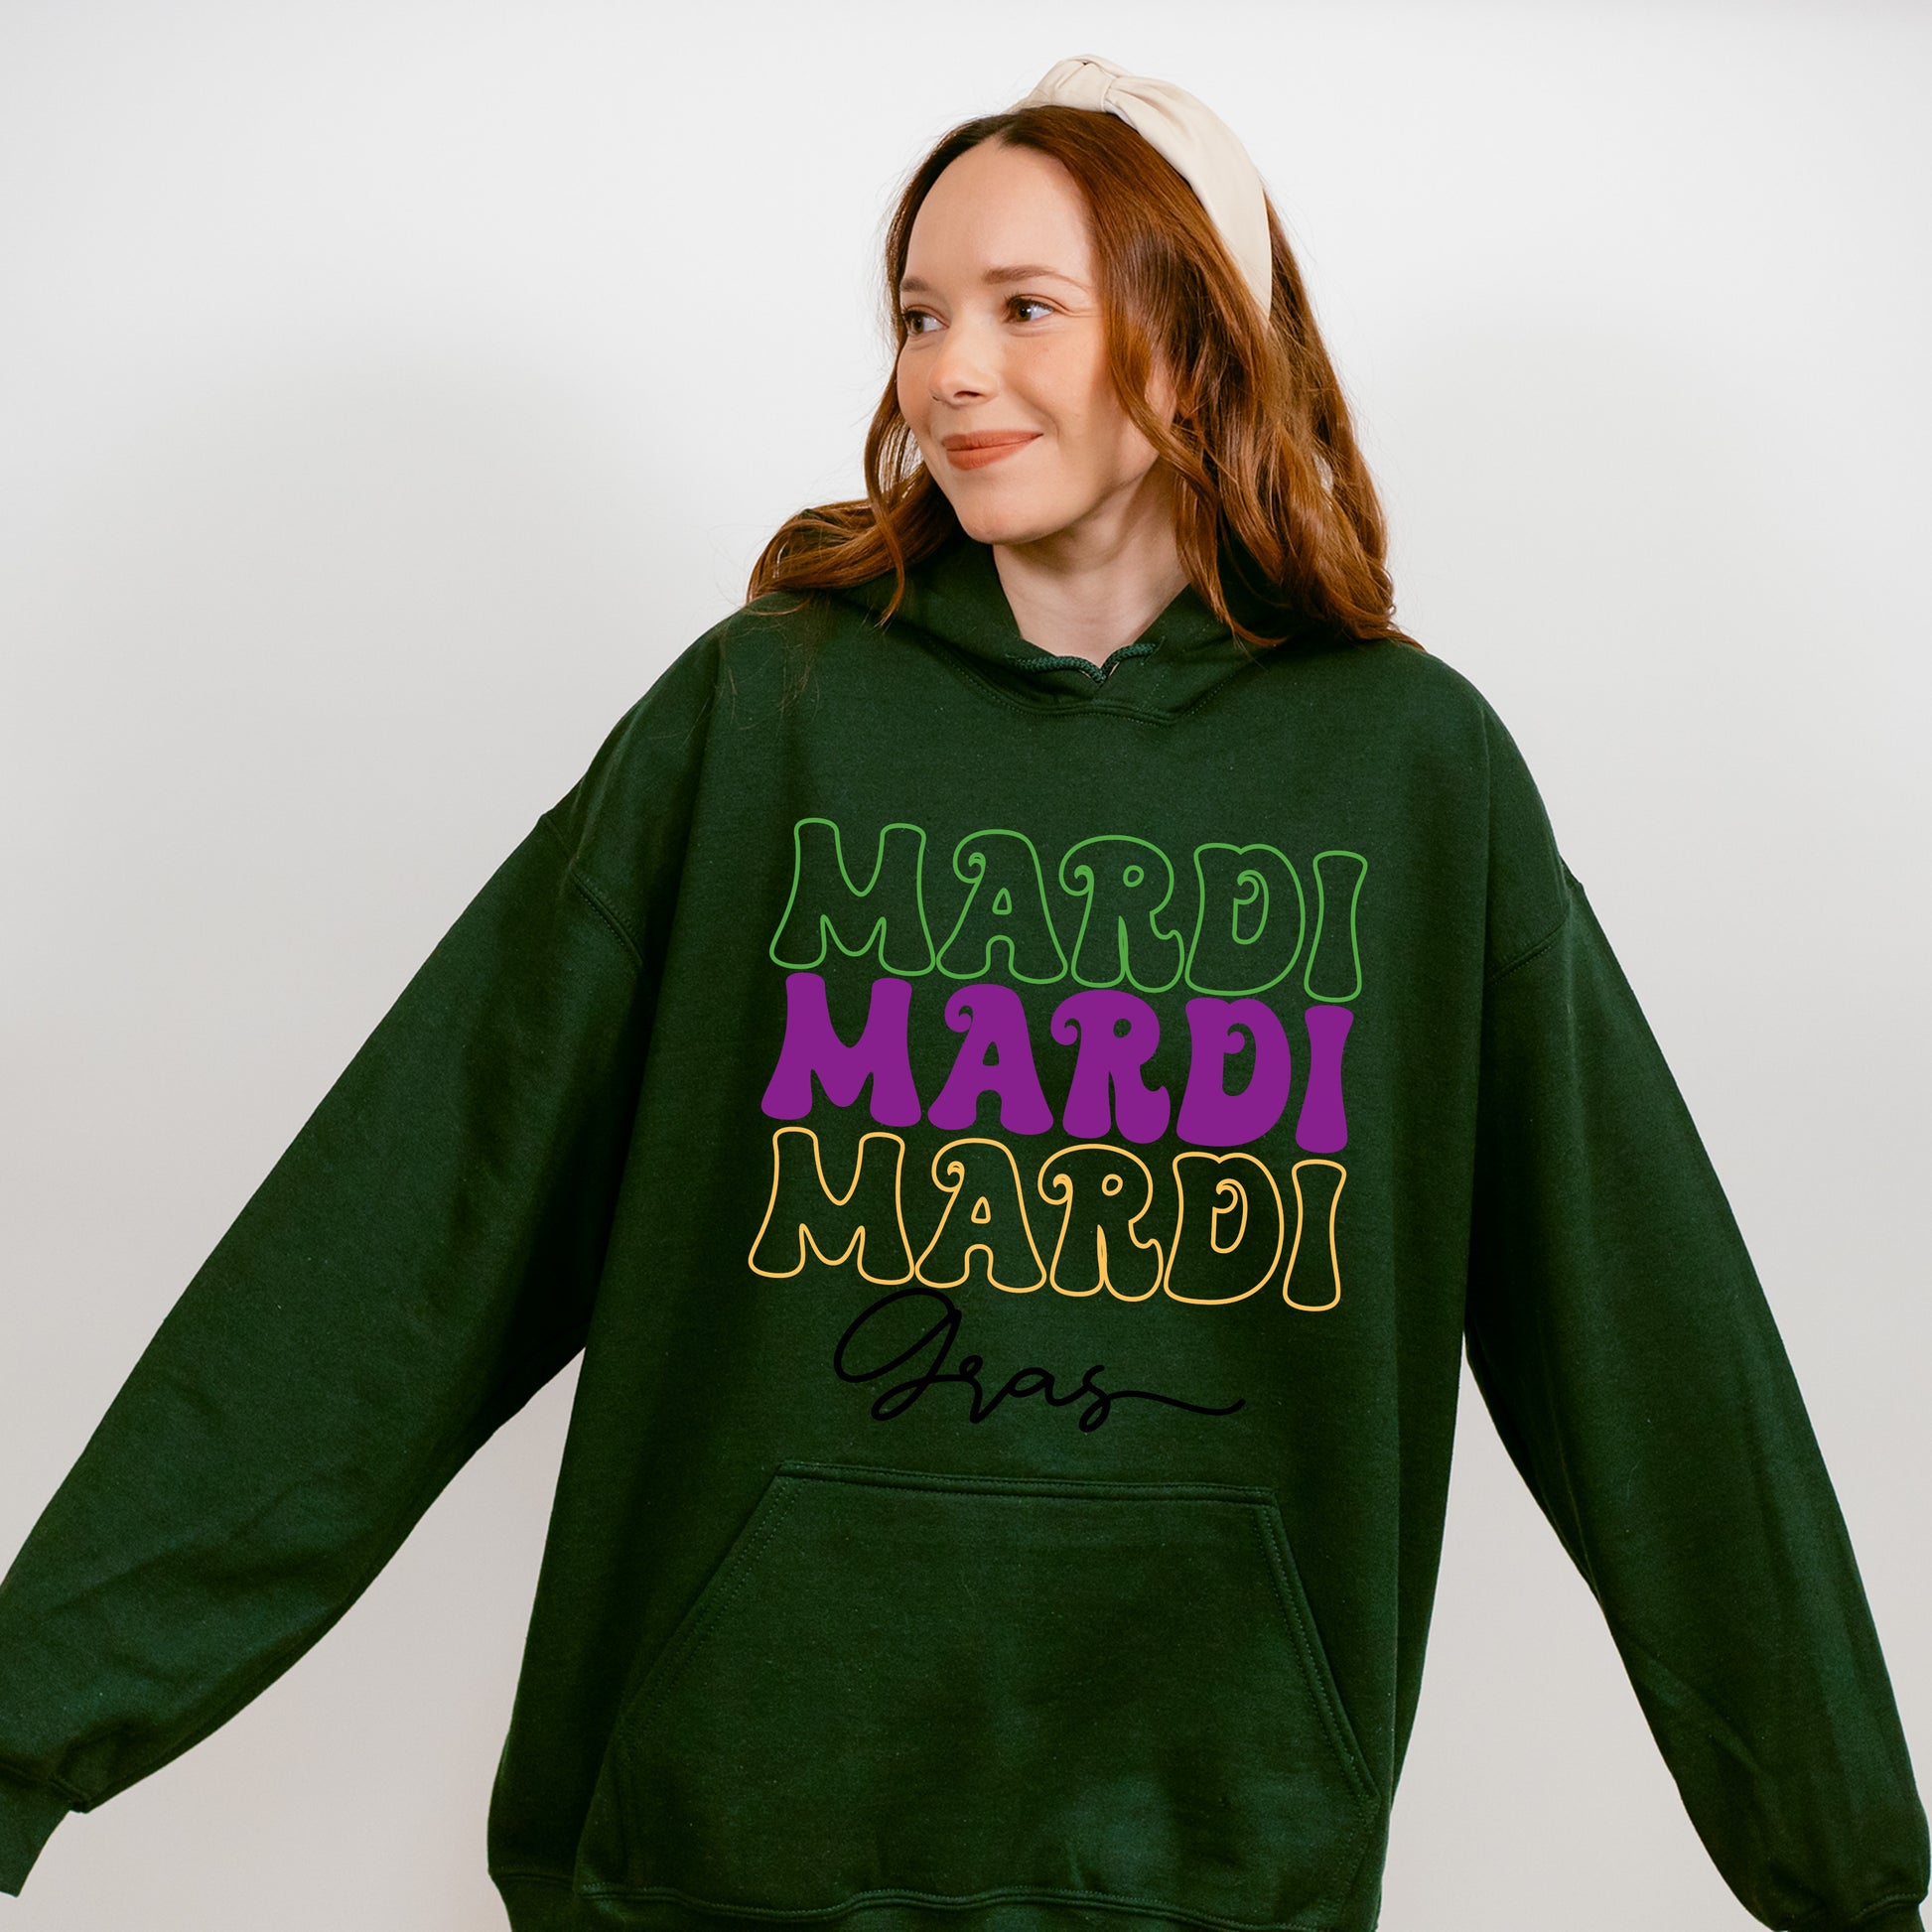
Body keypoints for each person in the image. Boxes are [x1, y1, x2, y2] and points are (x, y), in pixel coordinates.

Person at [0, 51, 1925, 1932]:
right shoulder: (761, 723)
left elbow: (1645, 1335)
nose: (948, 372)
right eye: (920, 315)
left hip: (1206, 1860)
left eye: (1024, 306)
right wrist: (27, 1724)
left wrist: (1843, 1867)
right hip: (717, 1849)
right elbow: (398, 1246)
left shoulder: (1412, 779)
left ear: (1195, 338)